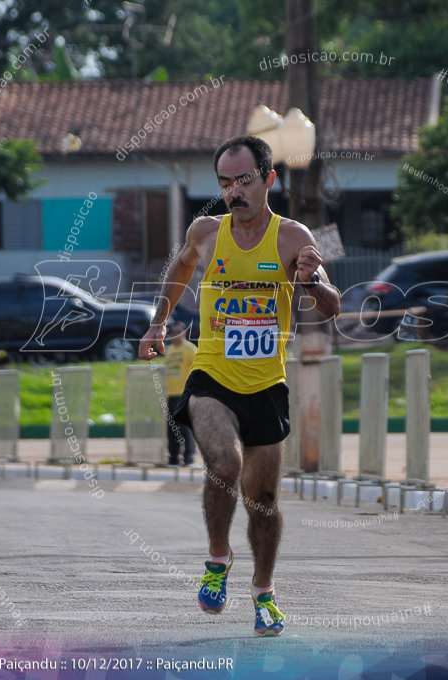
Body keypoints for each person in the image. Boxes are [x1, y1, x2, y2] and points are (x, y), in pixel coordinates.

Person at [139, 135, 340, 637]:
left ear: (269, 179)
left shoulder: (293, 237)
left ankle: (264, 592)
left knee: (264, 499)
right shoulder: (206, 232)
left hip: (267, 382)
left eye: (244, 180)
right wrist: (158, 323)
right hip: (212, 375)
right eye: (225, 183)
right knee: (224, 464)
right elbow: (180, 269)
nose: (234, 191)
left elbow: (332, 307)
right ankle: (216, 558)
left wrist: (312, 282)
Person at [164, 319, 197, 466]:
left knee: (185, 427)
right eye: (172, 332)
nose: (175, 335)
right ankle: (173, 458)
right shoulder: (170, 350)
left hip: (185, 394)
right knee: (171, 426)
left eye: (179, 332)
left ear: (185, 333)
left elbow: (196, 371)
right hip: (171, 394)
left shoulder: (190, 349)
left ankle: (189, 458)